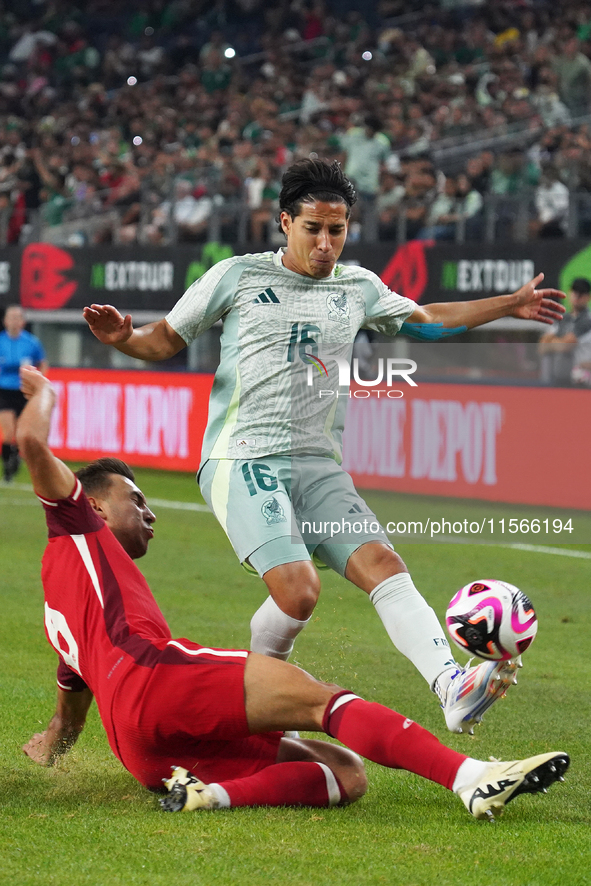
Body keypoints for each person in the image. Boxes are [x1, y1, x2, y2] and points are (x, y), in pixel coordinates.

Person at [82, 158, 565, 737]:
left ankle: (450, 688)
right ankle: (257, 704)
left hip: (318, 462)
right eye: (313, 228)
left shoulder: (357, 287)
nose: (326, 243)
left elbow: (426, 320)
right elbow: (163, 340)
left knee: (384, 565)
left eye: (337, 230)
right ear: (285, 222)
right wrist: (123, 339)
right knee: (298, 590)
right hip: (243, 456)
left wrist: (506, 307)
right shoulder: (235, 277)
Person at [18, 366, 569, 820]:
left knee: (343, 773)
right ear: (92, 507)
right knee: (324, 700)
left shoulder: (58, 599)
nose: (149, 511)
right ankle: (472, 777)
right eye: (135, 500)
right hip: (157, 679)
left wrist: (52, 744)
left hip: (140, 749)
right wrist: (46, 392)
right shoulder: (74, 524)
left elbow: (71, 705)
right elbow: (30, 441)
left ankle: (211, 796)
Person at [0, 304, 47, 482]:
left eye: (17, 317)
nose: (13, 321)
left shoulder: (31, 343)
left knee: (21, 432)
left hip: (24, 391)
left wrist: (39, 382)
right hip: (4, 390)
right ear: (4, 321)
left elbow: (42, 363)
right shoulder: (1, 341)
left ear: (23, 321)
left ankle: (16, 456)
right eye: (10, 317)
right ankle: (7, 468)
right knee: (8, 431)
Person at [539, 277, 591, 385]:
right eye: (575, 291)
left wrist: (554, 342)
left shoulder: (587, 320)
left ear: (588, 297)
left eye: (581, 293)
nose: (577, 295)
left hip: (583, 377)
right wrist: (559, 343)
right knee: (547, 358)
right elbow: (542, 346)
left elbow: (566, 346)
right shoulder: (562, 319)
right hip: (559, 375)